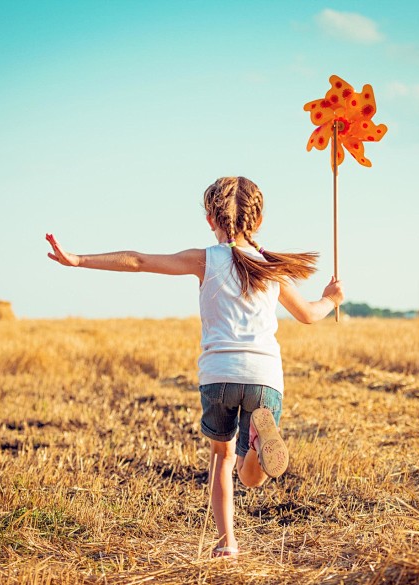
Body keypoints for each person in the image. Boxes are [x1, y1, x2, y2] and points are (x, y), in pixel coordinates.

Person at [45, 176, 344, 558]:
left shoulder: (205, 259)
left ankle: (227, 543)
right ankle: (258, 446)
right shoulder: (272, 268)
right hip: (264, 378)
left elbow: (138, 261)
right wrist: (330, 299)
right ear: (260, 220)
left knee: (221, 458)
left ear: (209, 219)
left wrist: (78, 260)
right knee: (251, 477)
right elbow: (308, 315)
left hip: (219, 374)